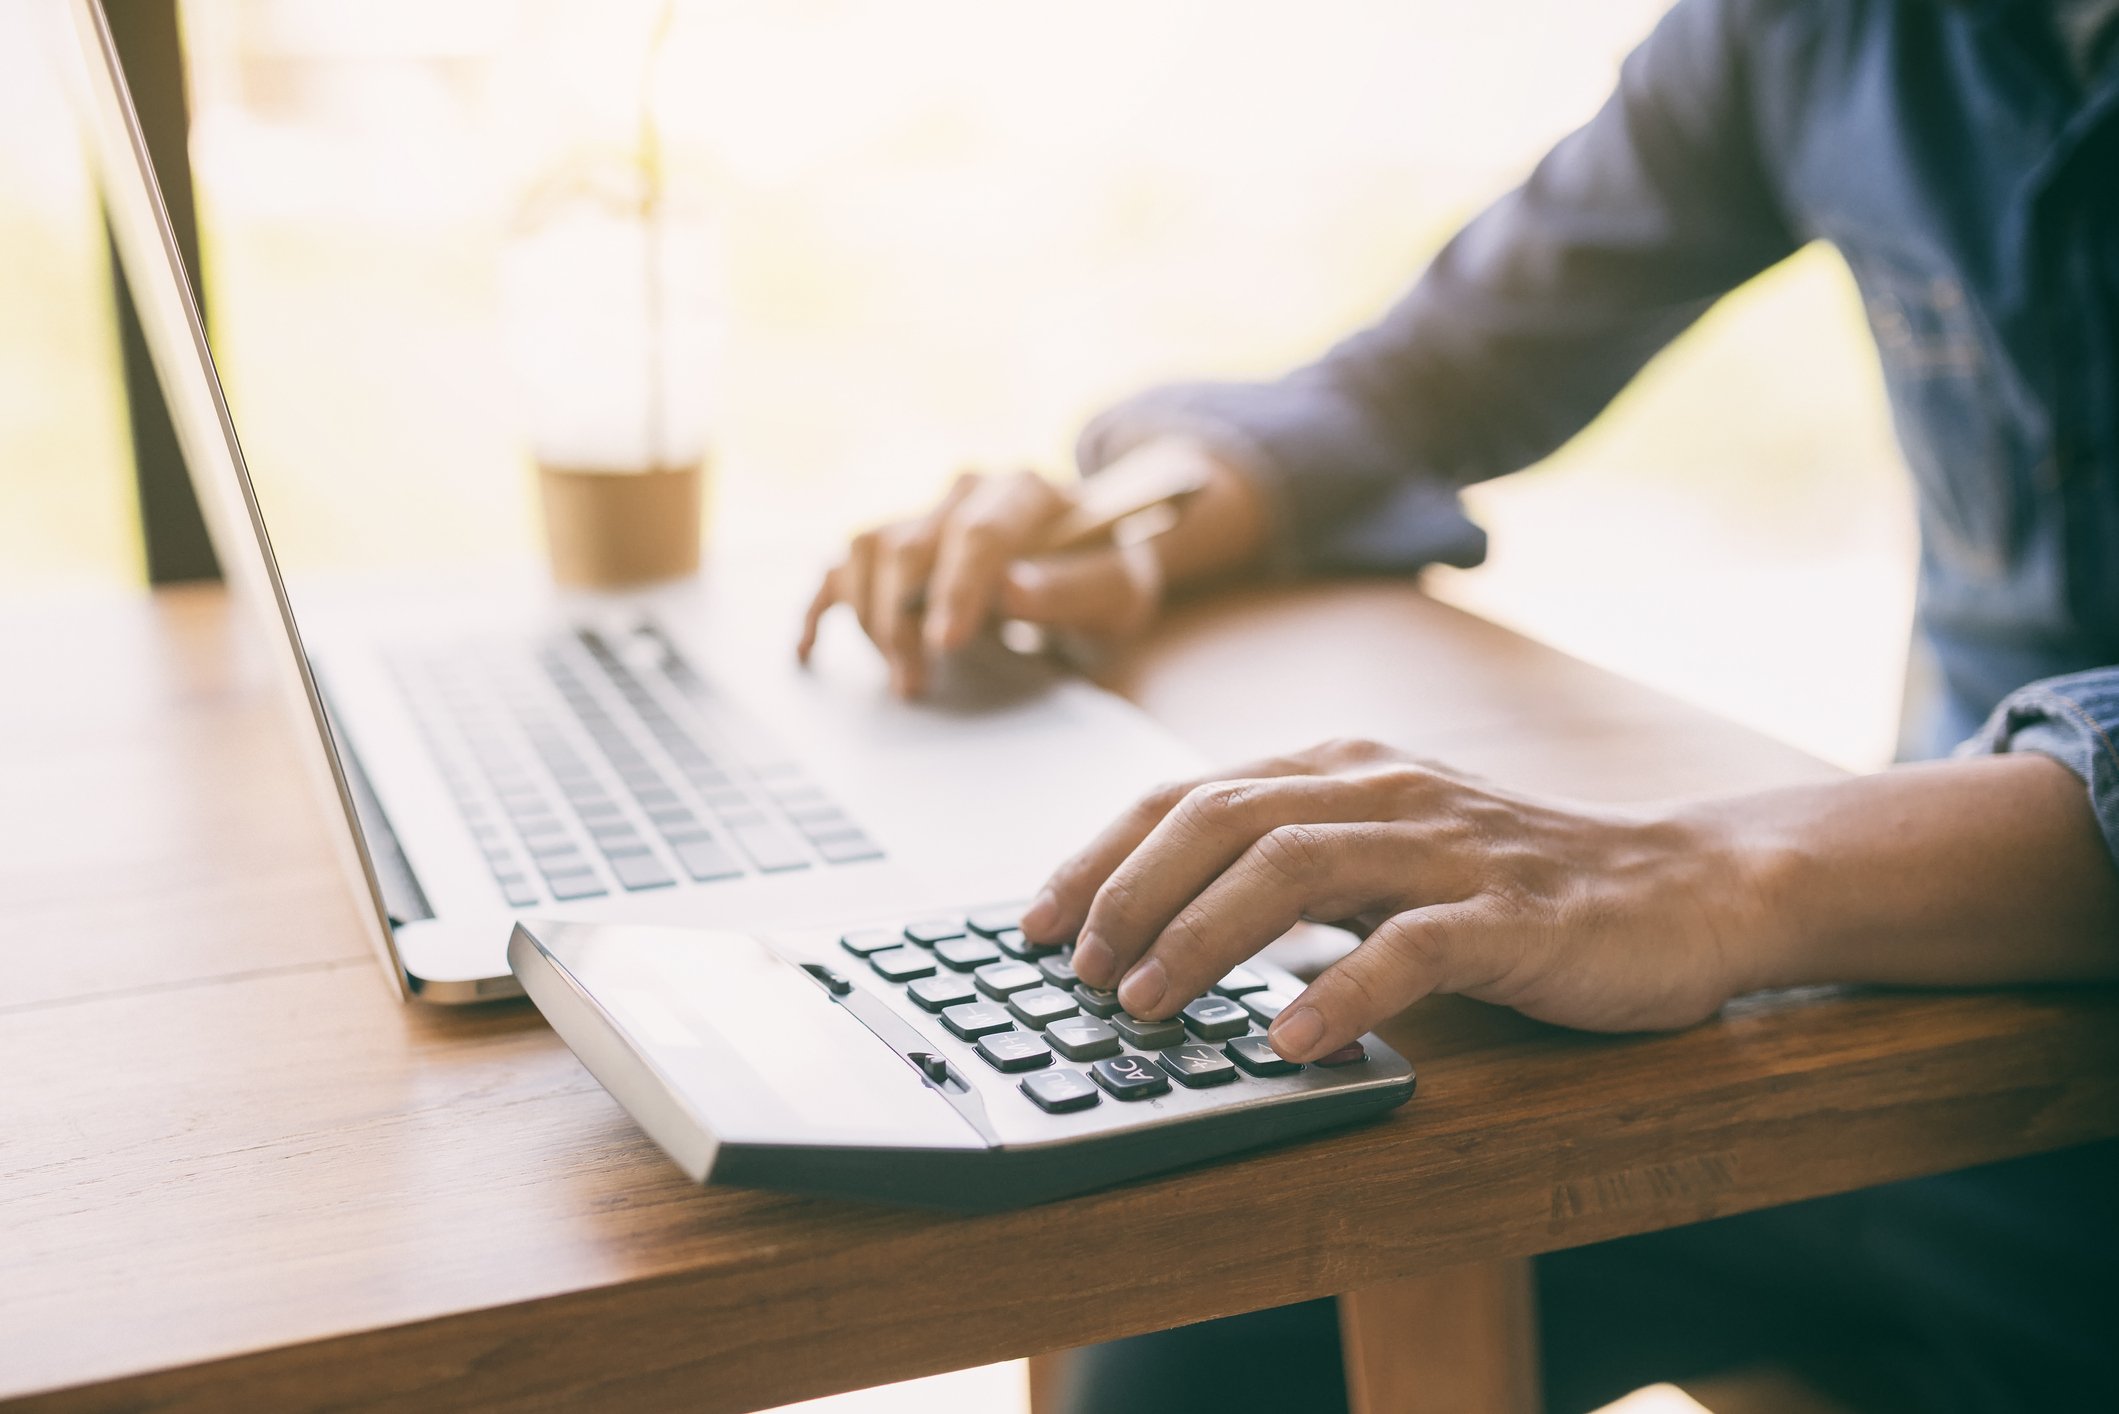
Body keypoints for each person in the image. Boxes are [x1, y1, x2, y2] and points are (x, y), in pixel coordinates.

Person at [798, 0, 2119, 1407]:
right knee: (1182, 1358)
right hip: (1894, 1014)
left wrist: (1715, 870)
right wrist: (1114, 532)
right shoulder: (1818, 29)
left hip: (2023, 1083)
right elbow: (1448, 365)